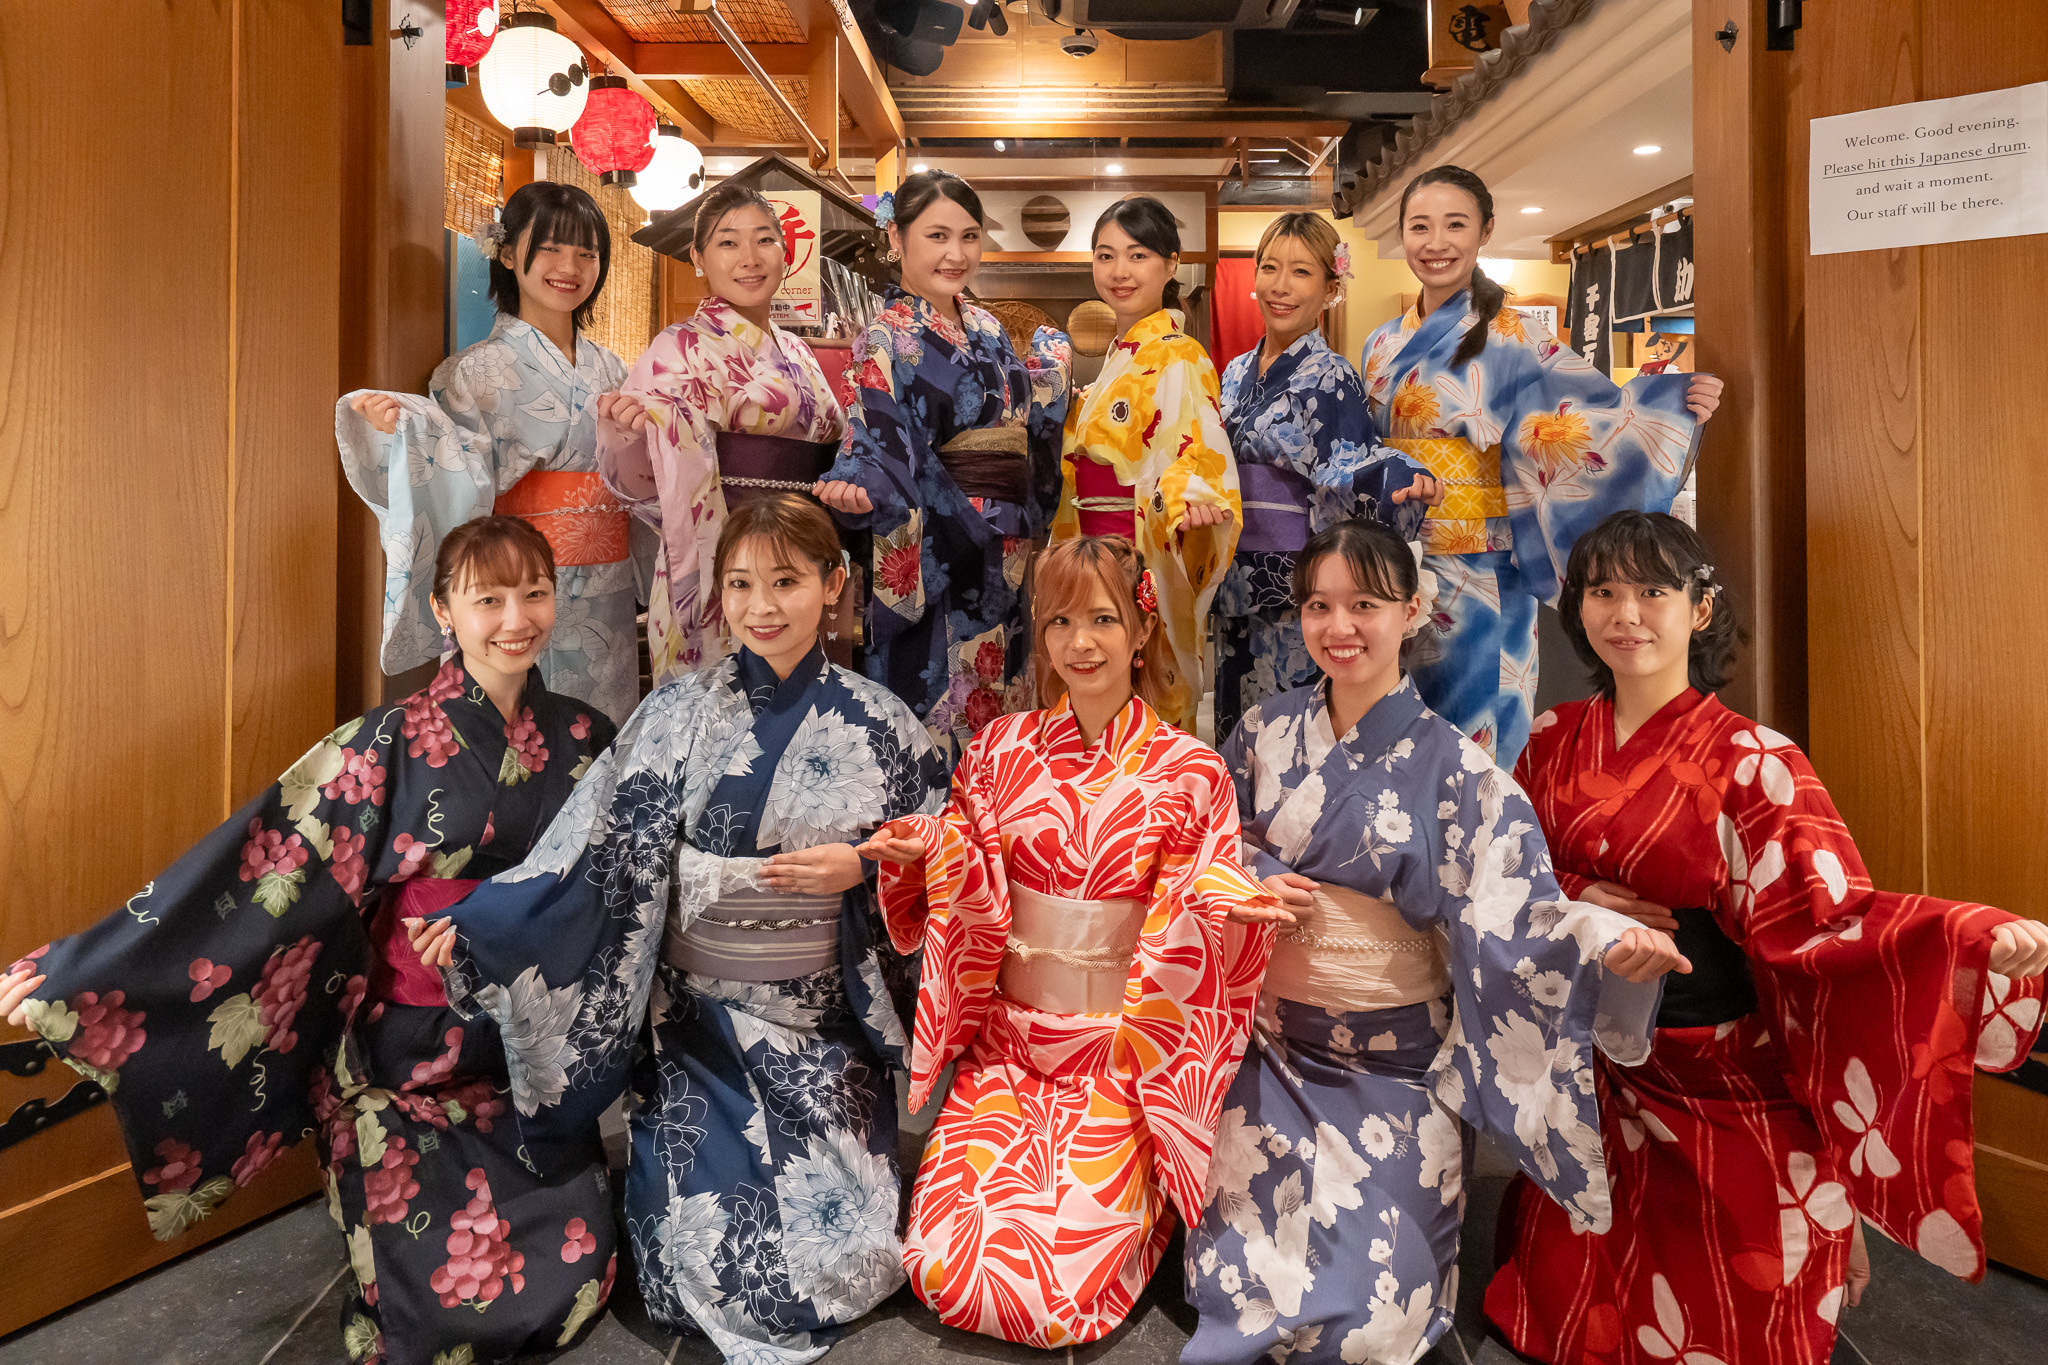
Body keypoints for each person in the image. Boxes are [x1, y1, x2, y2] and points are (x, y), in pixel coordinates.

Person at [2, 517, 621, 1364]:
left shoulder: (587, 736)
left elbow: (621, 879)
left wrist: (512, 923)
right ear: (444, 610)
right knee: (427, 1316)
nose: (517, 617)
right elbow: (253, 873)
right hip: (413, 1053)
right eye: (488, 598)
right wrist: (77, 972)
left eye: (535, 593)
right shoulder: (386, 742)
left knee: (581, 1264)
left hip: (531, 1045)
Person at [1483, 511, 2048, 1365]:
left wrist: (1963, 940)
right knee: (1580, 1296)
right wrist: (1576, 894)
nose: (1625, 612)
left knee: (1745, 1300)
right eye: (1603, 591)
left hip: (1723, 1078)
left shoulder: (1755, 758)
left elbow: (1831, 923)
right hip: (1595, 1069)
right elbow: (1502, 876)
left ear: (1699, 609)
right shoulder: (1555, 740)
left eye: (1653, 591)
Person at [407, 494, 949, 1363]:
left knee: (844, 1253)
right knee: (693, 1256)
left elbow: (947, 849)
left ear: (834, 583)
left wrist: (869, 869)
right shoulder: (674, 713)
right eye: (740, 583)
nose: (761, 606)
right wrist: (485, 919)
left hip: (825, 1029)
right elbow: (592, 848)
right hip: (698, 1034)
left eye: (785, 580)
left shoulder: (887, 725)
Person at [1184, 519, 1689, 1365]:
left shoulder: (1459, 768)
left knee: (1374, 1324)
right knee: (1232, 1281)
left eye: (1365, 604)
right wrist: (1246, 878)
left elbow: (1521, 915)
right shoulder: (1263, 735)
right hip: (1271, 1053)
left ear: (1412, 610)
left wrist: (1603, 938)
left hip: (1394, 1070)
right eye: (1319, 605)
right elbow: (1199, 842)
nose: (1339, 627)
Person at [859, 536, 1282, 1347]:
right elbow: (970, 855)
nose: (1079, 642)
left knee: (1056, 1303)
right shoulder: (998, 750)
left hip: (1116, 1064)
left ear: (1140, 629)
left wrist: (1233, 895)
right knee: (942, 1270)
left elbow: (1203, 882)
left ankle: (1132, 1187)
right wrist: (931, 845)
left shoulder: (1190, 769)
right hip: (1009, 1053)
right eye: (1059, 621)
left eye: (1102, 618)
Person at [1360, 166, 1725, 768]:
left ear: (1486, 231)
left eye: (1456, 225)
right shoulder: (1380, 343)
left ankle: (1484, 857)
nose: (1436, 243)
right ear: (1402, 236)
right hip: (1396, 565)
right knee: (1395, 727)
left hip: (1482, 568)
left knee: (1477, 734)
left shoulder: (1511, 335)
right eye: (1420, 227)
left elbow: (1588, 419)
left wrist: (1670, 406)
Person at [339, 181, 651, 726]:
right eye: (550, 248)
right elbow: (455, 469)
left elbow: (640, 475)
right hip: (519, 587)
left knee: (606, 735)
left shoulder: (613, 368)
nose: (569, 266)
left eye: (586, 253)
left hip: (610, 589)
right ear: (507, 253)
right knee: (529, 734)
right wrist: (407, 426)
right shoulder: (475, 373)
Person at [814, 169, 1072, 761]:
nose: (956, 254)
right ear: (897, 240)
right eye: (937, 236)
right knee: (940, 719)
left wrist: (1050, 379)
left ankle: (998, 843)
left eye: (970, 236)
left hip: (1006, 551)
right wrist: (964, 531)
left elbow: (1017, 421)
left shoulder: (987, 328)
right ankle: (938, 847)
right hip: (950, 550)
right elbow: (891, 449)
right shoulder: (885, 338)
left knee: (1006, 713)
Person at [596, 182, 846, 685]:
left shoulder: (797, 352)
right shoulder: (678, 348)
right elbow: (643, 482)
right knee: (716, 716)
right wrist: (627, 437)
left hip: (798, 560)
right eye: (728, 243)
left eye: (764, 240)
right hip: (721, 558)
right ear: (698, 258)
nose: (749, 258)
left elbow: (834, 444)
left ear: (784, 251)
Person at [1211, 211, 1439, 743]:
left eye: (1301, 272)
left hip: (1297, 585)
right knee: (1237, 733)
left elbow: (1349, 472)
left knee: (1295, 732)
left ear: (1331, 286)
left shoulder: (1331, 374)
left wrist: (1400, 478)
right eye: (1269, 268)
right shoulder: (1234, 371)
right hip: (1235, 580)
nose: (1280, 286)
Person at [1052, 196, 1240, 733]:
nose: (1119, 272)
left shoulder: (1178, 352)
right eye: (1105, 256)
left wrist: (1190, 499)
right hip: (1093, 554)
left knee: (1142, 686)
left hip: (1136, 552)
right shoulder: (1120, 353)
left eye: (1137, 256)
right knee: (1096, 690)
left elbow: (1191, 445)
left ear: (1172, 263)